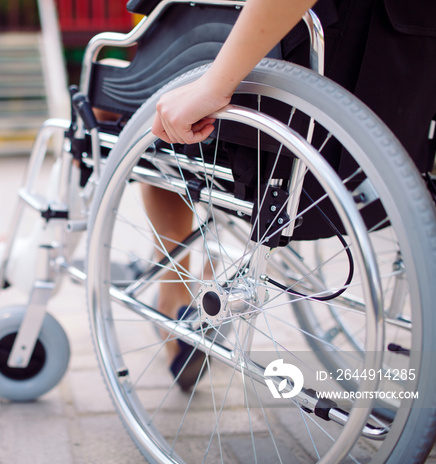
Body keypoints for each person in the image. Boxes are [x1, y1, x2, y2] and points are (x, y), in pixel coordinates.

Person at [148, 0, 436, 389]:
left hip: (285, 121)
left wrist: (214, 84)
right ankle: (195, 270)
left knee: (143, 109)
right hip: (387, 137)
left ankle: (173, 287)